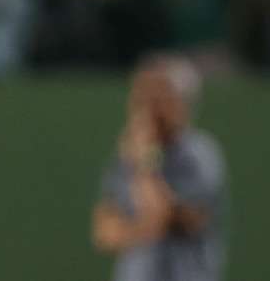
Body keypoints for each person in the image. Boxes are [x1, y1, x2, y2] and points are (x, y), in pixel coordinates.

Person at [92, 55, 226, 281]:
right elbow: (104, 233)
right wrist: (141, 231)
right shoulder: (127, 157)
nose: (148, 108)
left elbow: (160, 215)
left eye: (159, 97)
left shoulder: (199, 156)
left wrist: (145, 159)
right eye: (142, 97)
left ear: (182, 103)